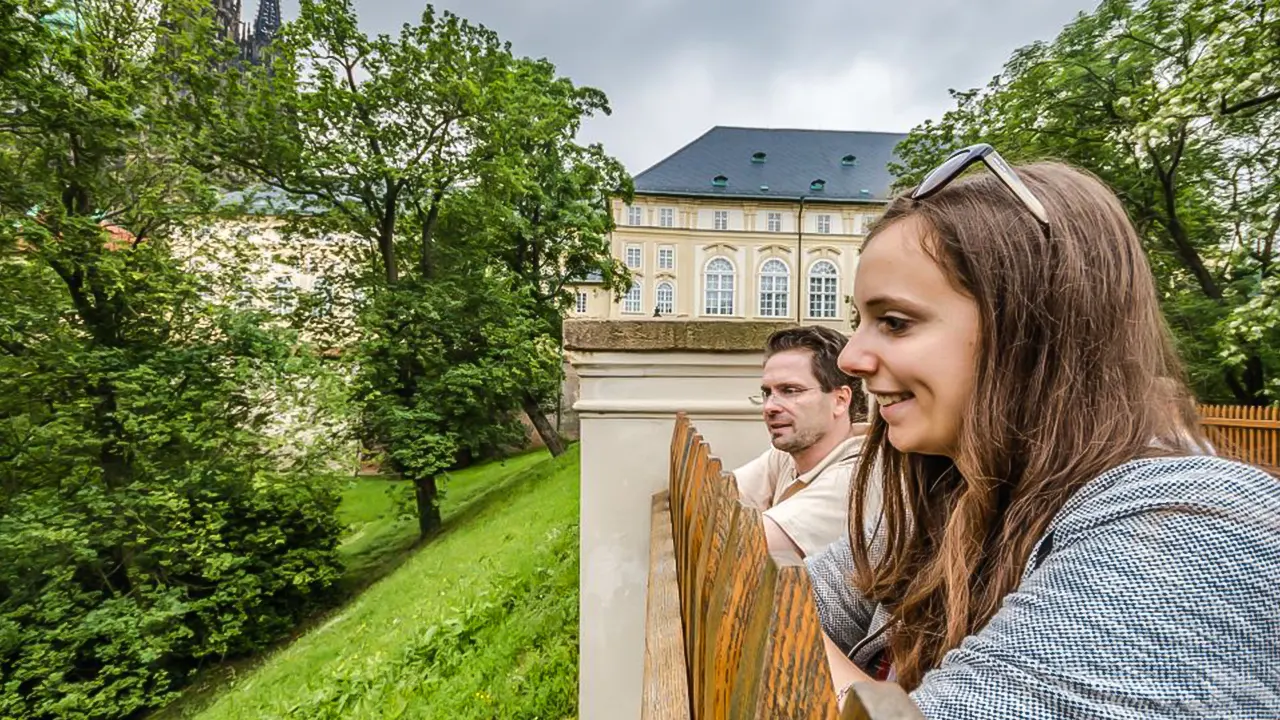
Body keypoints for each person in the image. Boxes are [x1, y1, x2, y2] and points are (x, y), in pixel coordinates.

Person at [807, 146, 1280, 717]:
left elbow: (770, 613)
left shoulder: (1190, 532)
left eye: (896, 322)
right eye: (859, 322)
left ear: (1034, 331)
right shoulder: (959, 497)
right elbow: (777, 597)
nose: (852, 356)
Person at [732, 325, 870, 559]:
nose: (770, 407)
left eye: (790, 390)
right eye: (767, 392)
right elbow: (718, 497)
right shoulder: (791, 453)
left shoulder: (857, 480)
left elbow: (742, 545)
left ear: (840, 400)